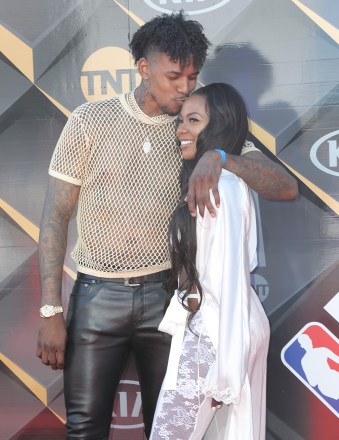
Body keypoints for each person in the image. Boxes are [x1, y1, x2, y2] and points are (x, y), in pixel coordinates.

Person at [36, 11, 297, 440]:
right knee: (83, 429)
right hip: (98, 297)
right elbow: (54, 215)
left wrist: (223, 157)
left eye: (192, 77)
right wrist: (50, 310)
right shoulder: (90, 120)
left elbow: (285, 188)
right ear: (143, 68)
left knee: (170, 429)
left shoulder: (201, 130)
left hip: (169, 301)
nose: (184, 88)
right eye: (174, 76)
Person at [150, 83, 270, 440]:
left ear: (218, 126)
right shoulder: (216, 182)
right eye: (181, 119)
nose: (180, 129)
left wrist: (225, 374)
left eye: (193, 120)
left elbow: (228, 282)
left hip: (214, 339)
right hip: (215, 332)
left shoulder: (224, 186)